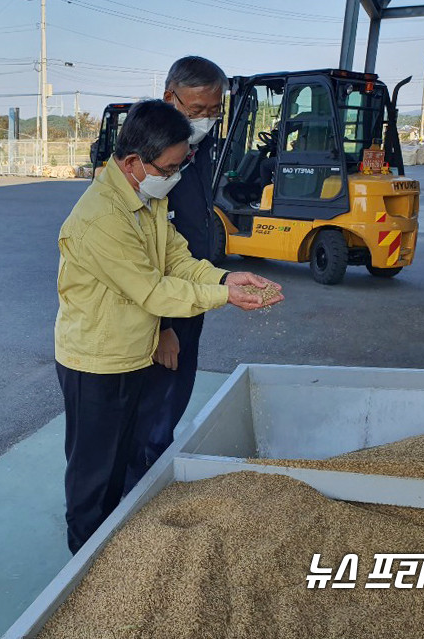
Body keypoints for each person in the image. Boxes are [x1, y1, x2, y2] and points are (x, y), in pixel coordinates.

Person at [54, 99, 283, 554]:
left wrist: (223, 276)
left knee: (118, 462)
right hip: (96, 363)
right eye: (171, 167)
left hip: (130, 354)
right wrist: (225, 296)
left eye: (183, 164)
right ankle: (83, 562)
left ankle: (110, 544)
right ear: (135, 162)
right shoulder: (101, 219)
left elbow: (175, 258)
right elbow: (153, 291)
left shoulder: (144, 196)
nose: (176, 175)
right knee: (92, 475)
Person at [126, 56, 280, 492]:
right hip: (161, 310)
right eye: (196, 111)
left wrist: (220, 280)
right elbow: (141, 263)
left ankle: (152, 478)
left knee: (172, 403)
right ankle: (136, 501)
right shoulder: (149, 160)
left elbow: (186, 235)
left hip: (192, 292)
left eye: (214, 111)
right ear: (168, 97)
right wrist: (162, 328)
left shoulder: (200, 148)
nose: (206, 121)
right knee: (149, 416)